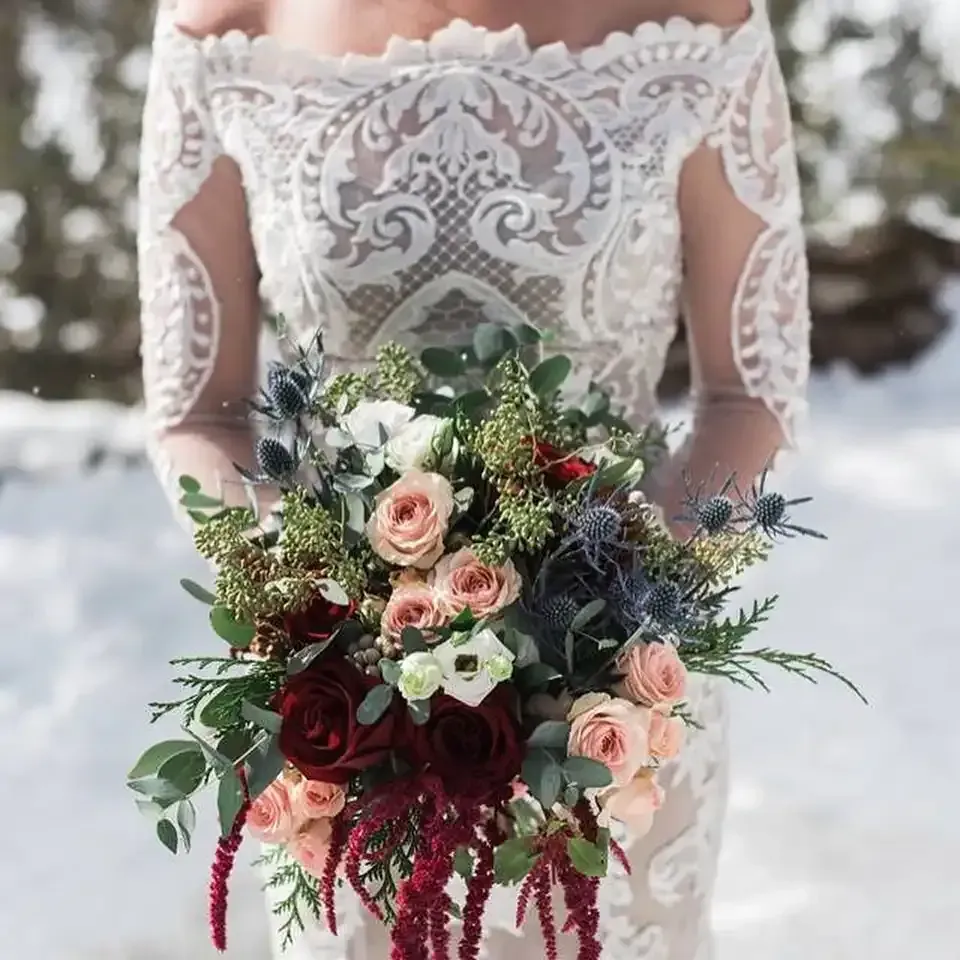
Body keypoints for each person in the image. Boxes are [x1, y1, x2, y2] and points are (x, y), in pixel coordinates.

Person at [137, 0, 810, 956]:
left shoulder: (698, 18)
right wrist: (326, 601)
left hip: (619, 715)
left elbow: (751, 394)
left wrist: (614, 616)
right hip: (347, 713)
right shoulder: (220, 22)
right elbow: (198, 411)